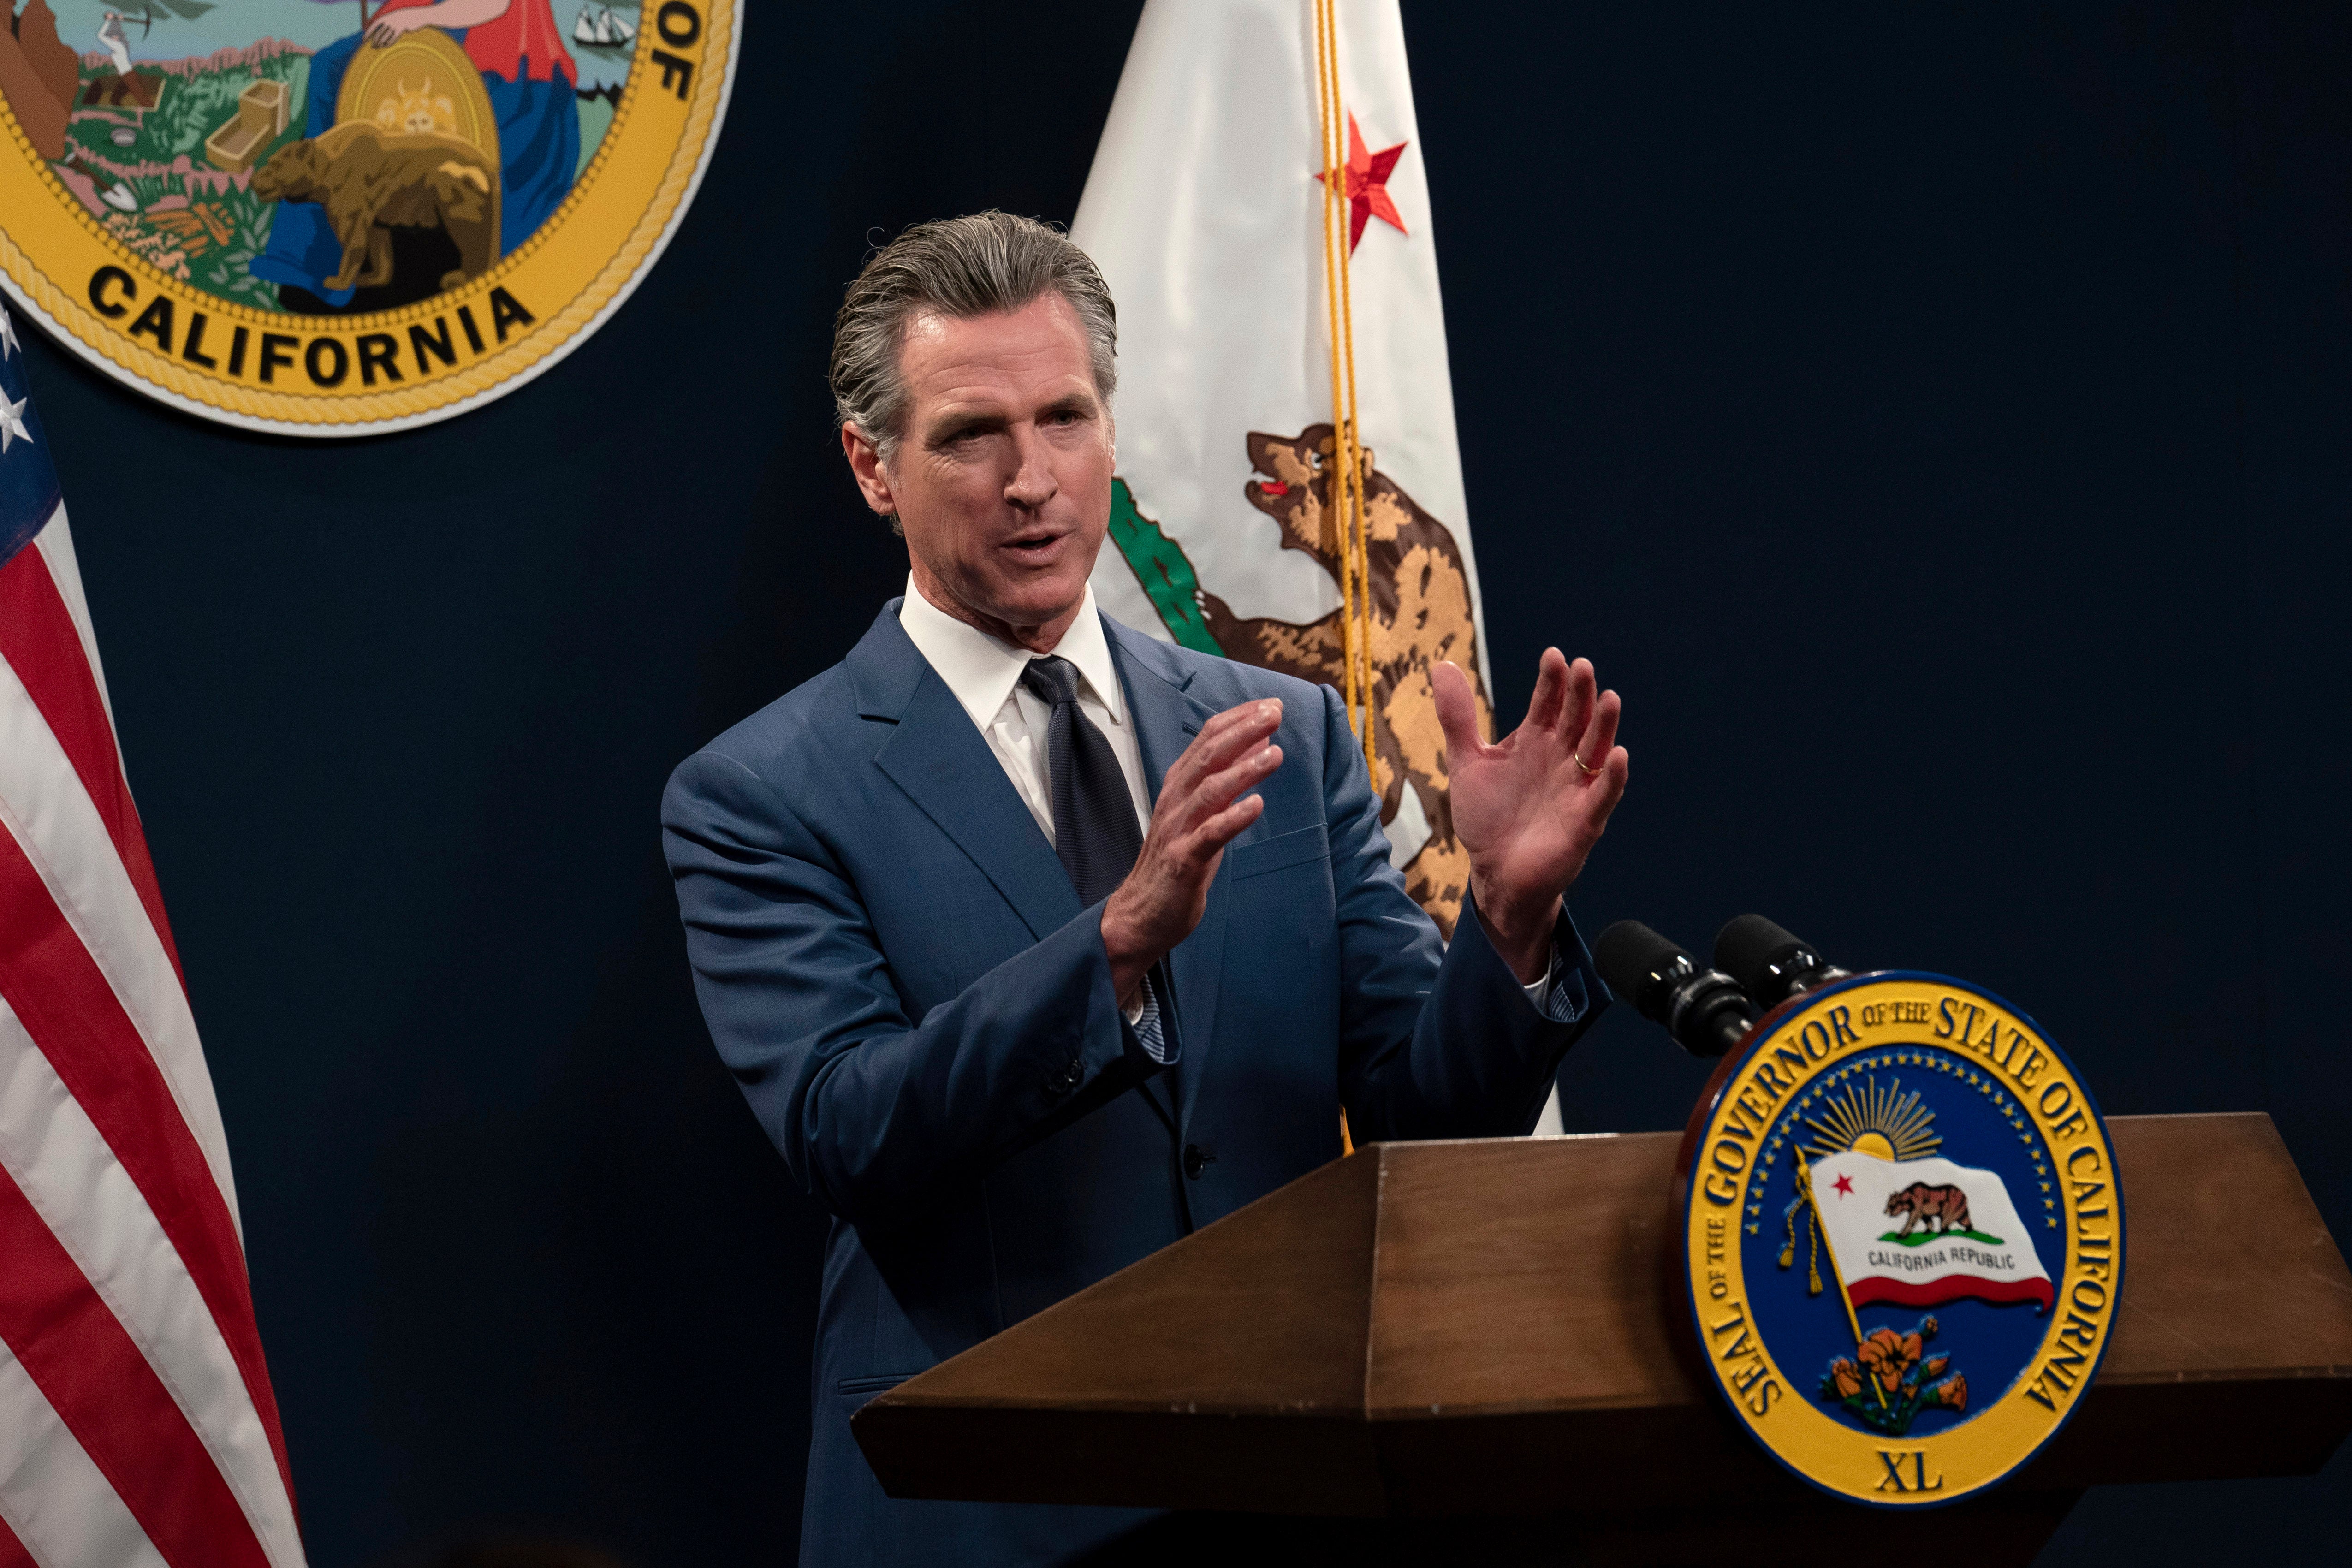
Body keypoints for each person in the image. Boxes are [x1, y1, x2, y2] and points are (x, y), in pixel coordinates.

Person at [661, 213, 1633, 1567]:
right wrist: (1112, 946)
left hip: (1286, 1484)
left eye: (1064, 417)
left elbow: (1417, 1113)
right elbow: (849, 1130)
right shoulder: (763, 789)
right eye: (969, 433)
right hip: (980, 1503)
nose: (1030, 479)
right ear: (870, 467)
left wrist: (1509, 922)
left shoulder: (1283, 732)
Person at [251, 0, 578, 310]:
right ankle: (308, 261)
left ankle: (483, 274)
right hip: (422, 13)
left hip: (491, 35)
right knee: (329, 66)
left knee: (486, 123)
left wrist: (417, 18)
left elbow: (493, 5)